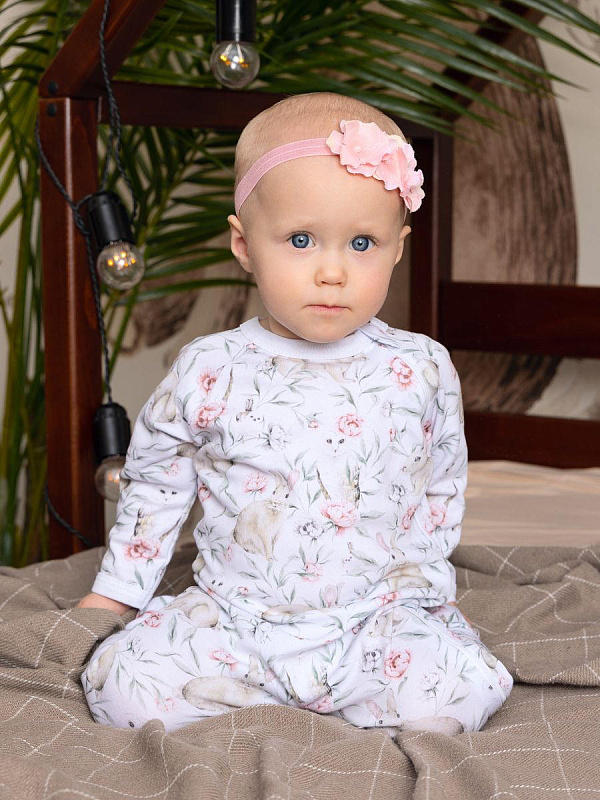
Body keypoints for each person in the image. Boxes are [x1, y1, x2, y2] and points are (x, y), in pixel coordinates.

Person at [78, 91, 513, 735]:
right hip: (236, 617)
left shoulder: (421, 367)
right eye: (301, 240)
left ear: (397, 247)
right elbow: (156, 483)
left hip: (374, 619)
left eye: (362, 242)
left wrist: (426, 592)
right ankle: (256, 709)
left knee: (457, 687)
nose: (332, 271)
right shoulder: (210, 367)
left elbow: (439, 484)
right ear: (244, 243)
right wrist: (118, 591)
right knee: (123, 685)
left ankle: (365, 711)